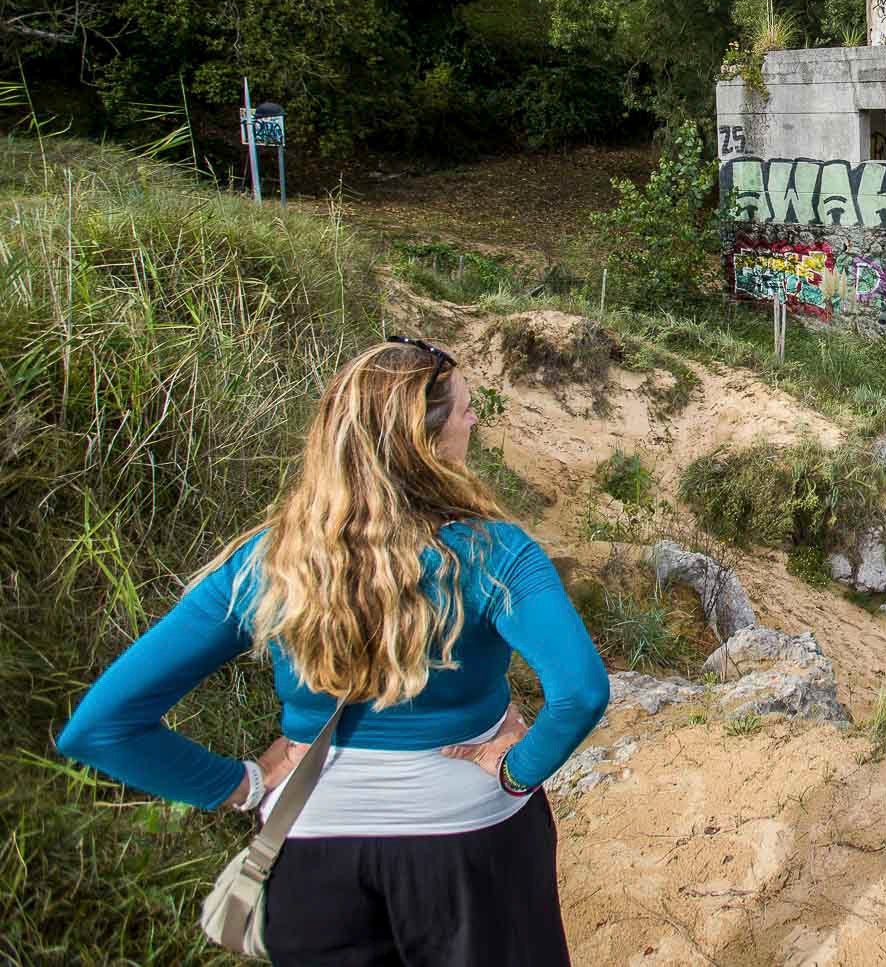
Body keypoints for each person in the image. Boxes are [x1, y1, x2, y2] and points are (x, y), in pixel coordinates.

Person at [58, 337, 609, 964]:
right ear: (425, 442)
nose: (473, 421)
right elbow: (583, 691)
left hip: (312, 848)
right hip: (469, 844)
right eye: (463, 409)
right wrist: (516, 772)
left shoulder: (267, 563)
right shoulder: (495, 554)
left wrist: (241, 786)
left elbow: (100, 727)